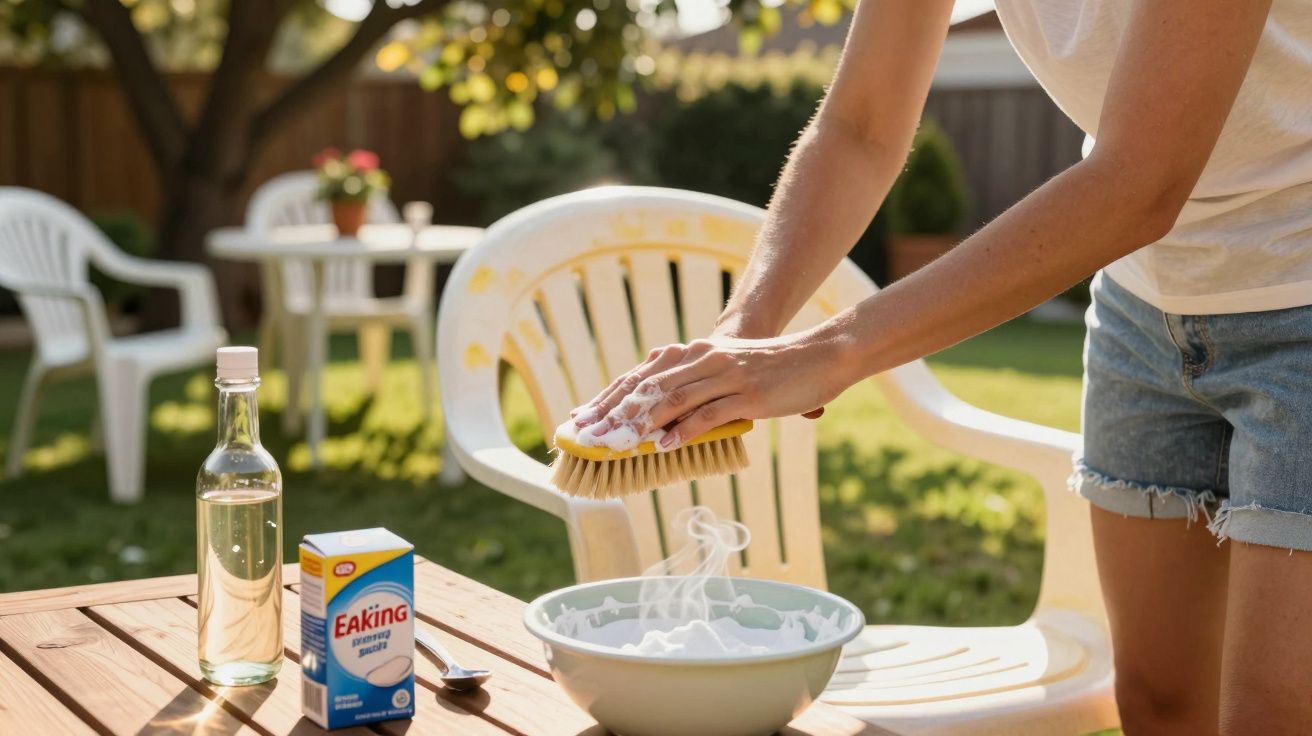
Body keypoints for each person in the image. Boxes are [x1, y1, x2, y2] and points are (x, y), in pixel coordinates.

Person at [569, 1, 1312, 732]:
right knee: (1158, 703)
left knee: (1273, 718)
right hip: (1142, 306)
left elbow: (1141, 183)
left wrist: (829, 354)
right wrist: (747, 332)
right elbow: (859, 126)